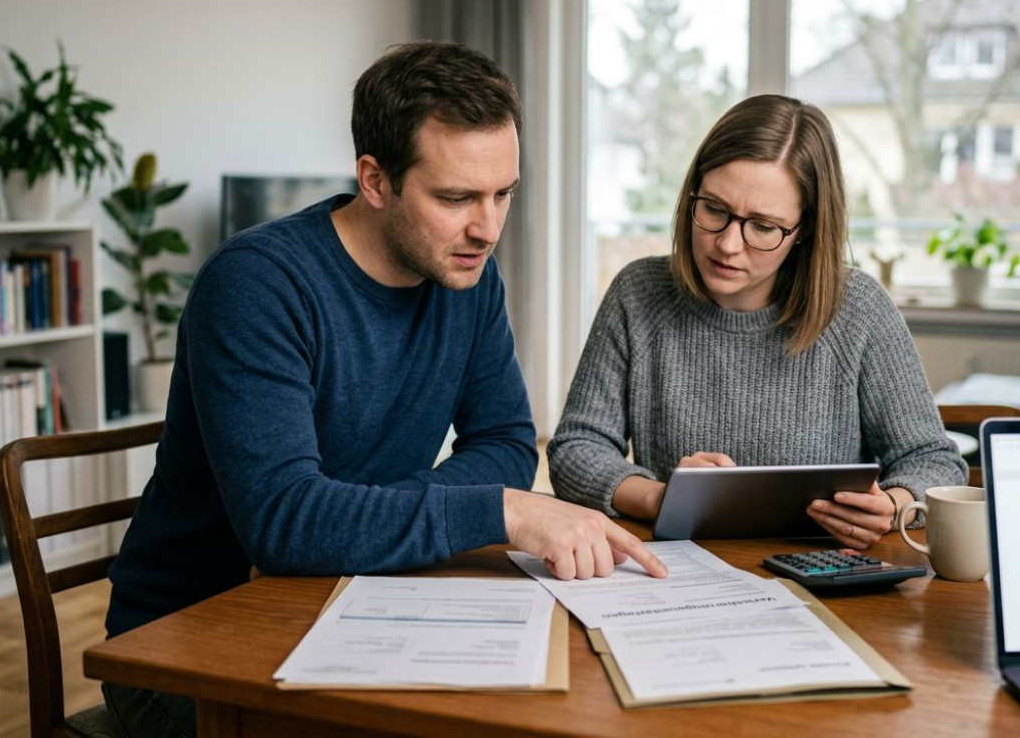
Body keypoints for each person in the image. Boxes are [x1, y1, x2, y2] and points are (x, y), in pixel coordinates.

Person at [102, 41, 665, 738]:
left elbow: (507, 443)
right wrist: (499, 513)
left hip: (358, 595)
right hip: (188, 641)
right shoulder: (256, 286)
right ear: (374, 179)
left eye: (503, 194)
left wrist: (370, 518)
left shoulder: (469, 274)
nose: (487, 229)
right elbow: (285, 524)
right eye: (456, 197)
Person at [548, 94, 967, 547]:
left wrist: (892, 504)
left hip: (821, 582)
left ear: (804, 229)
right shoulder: (639, 293)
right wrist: (660, 497)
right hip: (678, 576)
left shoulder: (857, 310)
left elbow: (934, 460)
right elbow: (575, 451)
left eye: (763, 227)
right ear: (693, 191)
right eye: (714, 209)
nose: (728, 244)